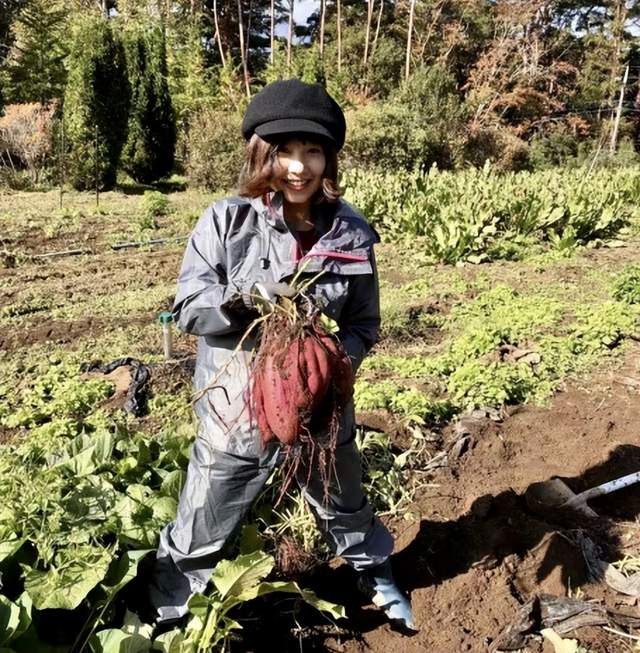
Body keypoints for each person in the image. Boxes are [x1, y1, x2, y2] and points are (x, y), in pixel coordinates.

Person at [146, 79, 414, 631]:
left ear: (329, 158)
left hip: (321, 407)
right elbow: (189, 308)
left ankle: (374, 570)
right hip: (234, 407)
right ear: (261, 154)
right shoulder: (226, 221)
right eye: (285, 151)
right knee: (205, 514)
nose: (299, 166)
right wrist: (244, 302)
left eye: (312, 151)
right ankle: (165, 608)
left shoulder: (351, 230)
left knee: (344, 498)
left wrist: (335, 360)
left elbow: (365, 322)